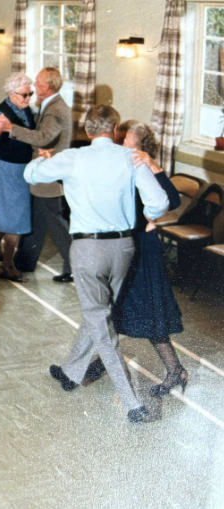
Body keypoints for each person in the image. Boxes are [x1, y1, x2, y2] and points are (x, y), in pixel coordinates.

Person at [24, 104, 169, 423]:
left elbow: (30, 174)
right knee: (100, 316)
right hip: (122, 248)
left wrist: (44, 159)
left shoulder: (73, 157)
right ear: (115, 130)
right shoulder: (129, 158)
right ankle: (70, 371)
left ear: (87, 131)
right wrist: (150, 216)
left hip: (88, 249)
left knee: (102, 325)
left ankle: (132, 403)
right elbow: (158, 202)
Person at [112, 122, 187, 397]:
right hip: (126, 242)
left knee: (146, 311)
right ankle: (94, 362)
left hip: (143, 248)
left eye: (127, 141)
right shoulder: (125, 162)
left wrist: (154, 166)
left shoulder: (141, 165)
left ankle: (176, 370)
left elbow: (173, 200)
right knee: (114, 308)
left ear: (140, 148)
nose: (123, 145)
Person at [0, 67, 74, 283]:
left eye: (37, 83)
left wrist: (12, 128)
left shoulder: (55, 108)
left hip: (49, 176)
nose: (34, 88)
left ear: (47, 86)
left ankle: (74, 266)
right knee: (36, 221)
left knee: (56, 224)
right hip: (40, 174)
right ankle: (25, 261)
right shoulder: (48, 105)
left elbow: (44, 137)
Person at [0, 73, 36, 282]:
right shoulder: (0, 112)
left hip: (21, 167)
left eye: (30, 94)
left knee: (12, 213)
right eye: (23, 95)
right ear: (11, 93)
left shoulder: (26, 110)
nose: (27, 98)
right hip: (5, 167)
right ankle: (7, 265)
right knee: (15, 217)